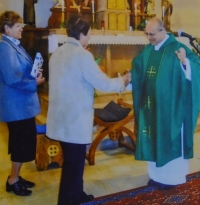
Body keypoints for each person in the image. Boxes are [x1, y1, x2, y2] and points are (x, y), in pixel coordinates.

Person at [46, 15, 131, 205]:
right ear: (82, 34)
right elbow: (102, 83)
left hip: (61, 117)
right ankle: (68, 201)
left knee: (72, 161)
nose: (90, 38)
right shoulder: (82, 55)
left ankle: (77, 194)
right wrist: (122, 82)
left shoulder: (58, 53)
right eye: (89, 34)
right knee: (74, 164)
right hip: (74, 119)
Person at [131, 17, 200, 190]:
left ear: (163, 31)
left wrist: (185, 63)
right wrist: (129, 77)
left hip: (172, 109)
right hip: (151, 107)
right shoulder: (147, 51)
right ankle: (156, 177)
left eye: (152, 34)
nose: (149, 37)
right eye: (147, 34)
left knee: (170, 140)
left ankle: (172, 179)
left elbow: (197, 67)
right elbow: (137, 69)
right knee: (153, 139)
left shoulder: (179, 48)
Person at [0, 11, 45, 196]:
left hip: (21, 105)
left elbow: (20, 72)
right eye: (18, 26)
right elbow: (12, 78)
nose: (22, 28)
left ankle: (16, 177)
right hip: (16, 106)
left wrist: (34, 73)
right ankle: (12, 180)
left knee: (23, 144)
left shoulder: (12, 45)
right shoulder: (5, 47)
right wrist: (35, 82)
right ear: (7, 28)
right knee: (20, 145)